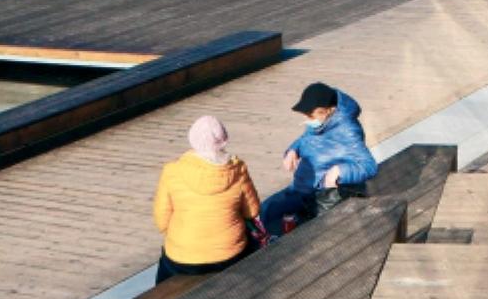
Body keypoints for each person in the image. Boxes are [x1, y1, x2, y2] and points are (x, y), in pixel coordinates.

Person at [152, 115, 263, 285]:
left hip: (182, 260)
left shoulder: (172, 171)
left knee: (165, 268)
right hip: (230, 256)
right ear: (224, 140)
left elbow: (161, 221)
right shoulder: (238, 170)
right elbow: (252, 211)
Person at [259, 83, 378, 237]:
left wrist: (340, 171)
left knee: (282, 224)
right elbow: (306, 140)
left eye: (310, 115)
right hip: (302, 188)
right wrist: (293, 150)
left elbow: (369, 166)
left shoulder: (348, 130)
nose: (306, 120)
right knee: (267, 210)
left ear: (329, 111)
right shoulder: (320, 124)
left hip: (321, 195)